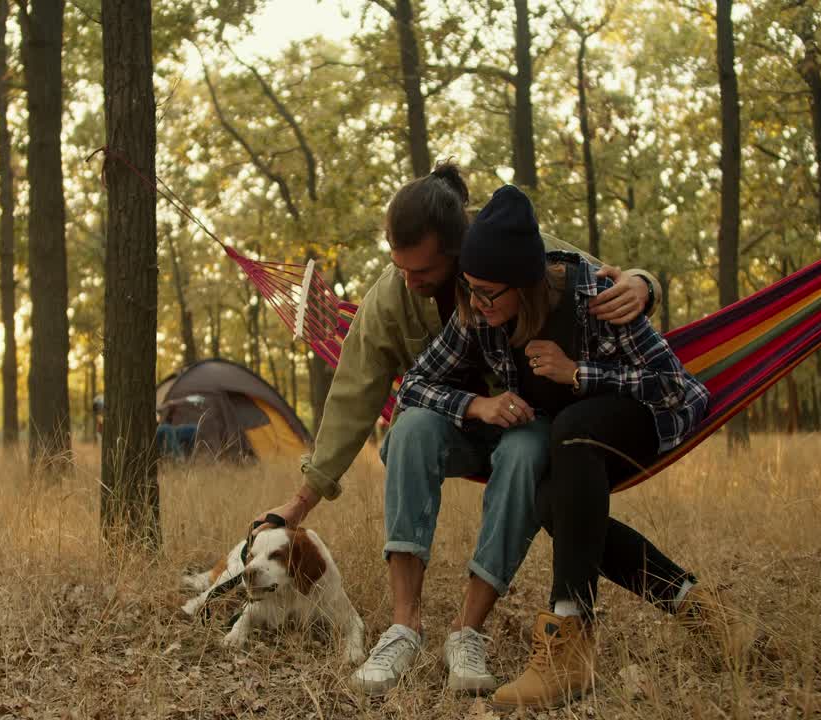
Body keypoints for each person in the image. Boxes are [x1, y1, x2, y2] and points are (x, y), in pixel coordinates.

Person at [251, 162, 664, 696]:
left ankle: (467, 632)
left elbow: (595, 277)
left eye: (421, 271)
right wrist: (302, 501)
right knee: (412, 428)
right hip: (458, 425)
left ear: (459, 249)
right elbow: (356, 394)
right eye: (400, 267)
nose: (409, 280)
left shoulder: (507, 248)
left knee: (525, 454)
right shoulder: (390, 299)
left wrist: (643, 284)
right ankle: (404, 626)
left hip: (530, 428)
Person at [397, 185, 760, 710]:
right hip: (577, 445)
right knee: (553, 503)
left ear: (526, 283)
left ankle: (570, 635)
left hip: (647, 421)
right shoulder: (478, 308)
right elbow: (413, 386)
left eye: (488, 293)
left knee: (569, 432)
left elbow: (675, 386)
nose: (475, 303)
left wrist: (577, 373)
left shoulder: (595, 297)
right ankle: (702, 610)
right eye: (469, 289)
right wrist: (475, 406)